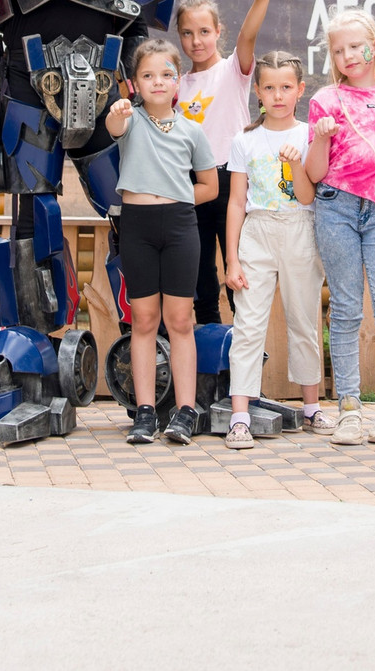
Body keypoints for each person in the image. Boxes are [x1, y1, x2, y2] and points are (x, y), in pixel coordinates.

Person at [304, 10, 375, 445]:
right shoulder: (325, 100)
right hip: (336, 208)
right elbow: (313, 174)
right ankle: (348, 406)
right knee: (346, 310)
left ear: (374, 44)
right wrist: (323, 137)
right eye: (338, 49)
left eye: (355, 45)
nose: (348, 55)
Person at [107, 39, 219, 446]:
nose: (158, 82)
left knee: (180, 321)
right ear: (134, 83)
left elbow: (209, 185)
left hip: (179, 226)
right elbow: (113, 127)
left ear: (178, 82)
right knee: (143, 320)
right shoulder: (131, 120)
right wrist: (118, 112)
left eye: (166, 74)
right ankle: (145, 411)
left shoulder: (192, 130)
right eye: (148, 75)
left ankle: (186, 411)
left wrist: (174, 194)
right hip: (136, 225)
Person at [222, 51, 325, 450]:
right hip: (257, 232)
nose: (278, 95)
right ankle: (240, 416)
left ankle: (312, 406)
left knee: (303, 320)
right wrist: (232, 258)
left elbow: (305, 195)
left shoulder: (309, 135)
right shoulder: (244, 140)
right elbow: (235, 202)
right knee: (248, 326)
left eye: (286, 87)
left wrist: (298, 163)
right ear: (258, 92)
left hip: (300, 229)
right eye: (269, 87)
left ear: (300, 90)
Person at [176, 0, 276, 324]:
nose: (196, 41)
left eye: (204, 32)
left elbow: (249, 35)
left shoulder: (235, 70)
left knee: (240, 280)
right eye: (187, 33)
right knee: (200, 280)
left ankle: (245, 375)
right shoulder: (175, 85)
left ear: (218, 32)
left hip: (232, 183)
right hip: (192, 186)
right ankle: (207, 372)